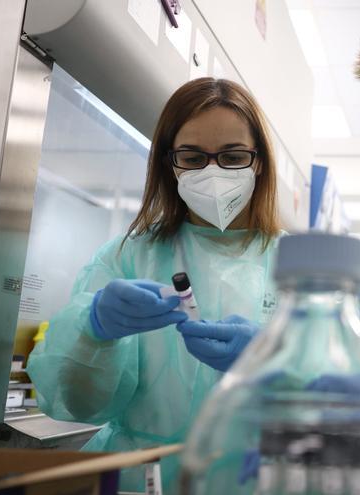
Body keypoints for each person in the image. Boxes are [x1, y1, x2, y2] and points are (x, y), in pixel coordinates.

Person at [28, 78, 282, 491]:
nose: (213, 172)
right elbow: (77, 403)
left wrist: (271, 362)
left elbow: (336, 404)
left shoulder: (298, 267)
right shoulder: (127, 257)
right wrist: (92, 331)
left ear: (258, 162)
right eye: (193, 157)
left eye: (233, 156)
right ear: (169, 162)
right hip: (139, 478)